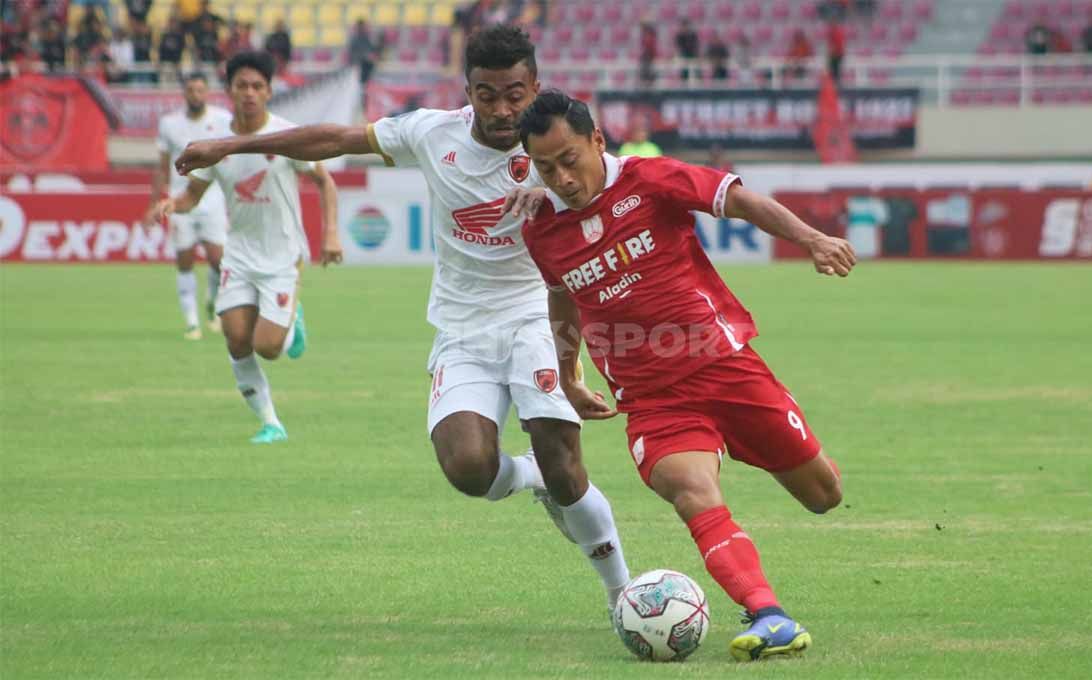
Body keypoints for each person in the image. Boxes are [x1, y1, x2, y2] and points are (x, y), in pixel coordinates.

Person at [172, 27, 632, 615]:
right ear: (466, 89)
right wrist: (229, 147)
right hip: (462, 328)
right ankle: (530, 478)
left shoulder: (557, 145)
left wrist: (550, 192)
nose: (502, 109)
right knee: (469, 468)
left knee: (566, 463)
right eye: (486, 94)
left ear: (534, 87)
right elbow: (335, 139)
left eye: (515, 93)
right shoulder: (430, 132)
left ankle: (624, 595)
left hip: (535, 318)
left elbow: (608, 187)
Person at [516, 91, 852, 661]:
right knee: (691, 490)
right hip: (653, 400)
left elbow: (740, 201)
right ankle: (768, 613)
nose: (562, 178)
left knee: (824, 493)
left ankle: (751, 441)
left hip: (725, 367)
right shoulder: (541, 229)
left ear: (598, 140)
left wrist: (812, 240)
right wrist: (569, 373)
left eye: (569, 159)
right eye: (545, 168)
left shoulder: (652, 179)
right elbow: (562, 301)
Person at [155, 51, 343, 444]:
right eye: (242, 85)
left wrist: (330, 235)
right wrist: (173, 204)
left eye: (258, 86)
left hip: (282, 256)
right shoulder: (216, 146)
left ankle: (294, 317)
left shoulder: (288, 135)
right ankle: (271, 422)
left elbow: (325, 181)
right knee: (236, 339)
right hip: (239, 254)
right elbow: (193, 194)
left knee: (268, 348)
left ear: (270, 91)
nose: (250, 93)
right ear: (229, 91)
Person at [143, 73, 232, 340]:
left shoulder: (222, 120)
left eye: (200, 90)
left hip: (213, 199)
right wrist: (154, 203)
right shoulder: (169, 124)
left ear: (207, 93)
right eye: (191, 90)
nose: (196, 95)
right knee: (185, 261)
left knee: (218, 261)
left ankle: (212, 304)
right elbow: (162, 167)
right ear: (184, 93)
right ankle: (192, 322)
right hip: (180, 201)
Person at [675, 18, 699, 83]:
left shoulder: (693, 35)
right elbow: (679, 46)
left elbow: (696, 45)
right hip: (684, 55)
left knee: (695, 69)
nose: (685, 28)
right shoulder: (679, 36)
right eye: (684, 26)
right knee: (684, 71)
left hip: (692, 54)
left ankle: (696, 82)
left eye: (686, 26)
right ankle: (683, 82)